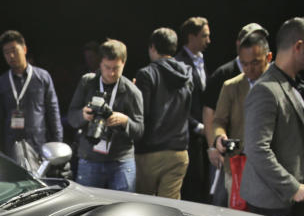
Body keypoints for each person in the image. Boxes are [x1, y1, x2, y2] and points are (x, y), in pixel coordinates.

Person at [240, 17, 304, 216]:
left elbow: (300, 115)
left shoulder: (289, 83)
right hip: (272, 201)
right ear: (299, 46)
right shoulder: (266, 90)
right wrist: (292, 188)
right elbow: (257, 149)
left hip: (288, 196)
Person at [203, 23, 269, 204]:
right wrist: (217, 140)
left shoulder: (279, 85)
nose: (249, 69)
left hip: (269, 168)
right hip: (237, 163)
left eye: (255, 62)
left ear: (268, 57)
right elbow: (217, 119)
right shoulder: (230, 84)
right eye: (245, 64)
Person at [66, 39, 143, 191]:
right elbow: (71, 117)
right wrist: (83, 115)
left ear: (124, 64)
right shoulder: (87, 83)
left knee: (124, 211)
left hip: (121, 160)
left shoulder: (132, 91)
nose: (111, 73)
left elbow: (140, 130)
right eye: (107, 67)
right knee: (86, 208)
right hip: (90, 158)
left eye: (116, 68)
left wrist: (125, 121)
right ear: (100, 63)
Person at [132, 28, 193, 199]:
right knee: (170, 208)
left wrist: (133, 94)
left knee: (143, 206)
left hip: (149, 152)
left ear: (152, 47)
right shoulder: (187, 74)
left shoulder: (146, 74)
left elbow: (142, 114)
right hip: (179, 152)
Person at [0, 30, 63, 159]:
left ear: (24, 49)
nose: (11, 56)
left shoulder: (42, 77)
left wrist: (58, 144)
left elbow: (53, 112)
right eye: (6, 53)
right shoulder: (1, 82)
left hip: (39, 144)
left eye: (14, 50)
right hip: (11, 146)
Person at [175, 17, 211, 201]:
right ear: (191, 37)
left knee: (206, 184)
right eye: (204, 36)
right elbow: (178, 104)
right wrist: (197, 126)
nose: (208, 41)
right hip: (189, 136)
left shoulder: (204, 60)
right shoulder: (179, 64)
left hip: (206, 134)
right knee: (192, 185)